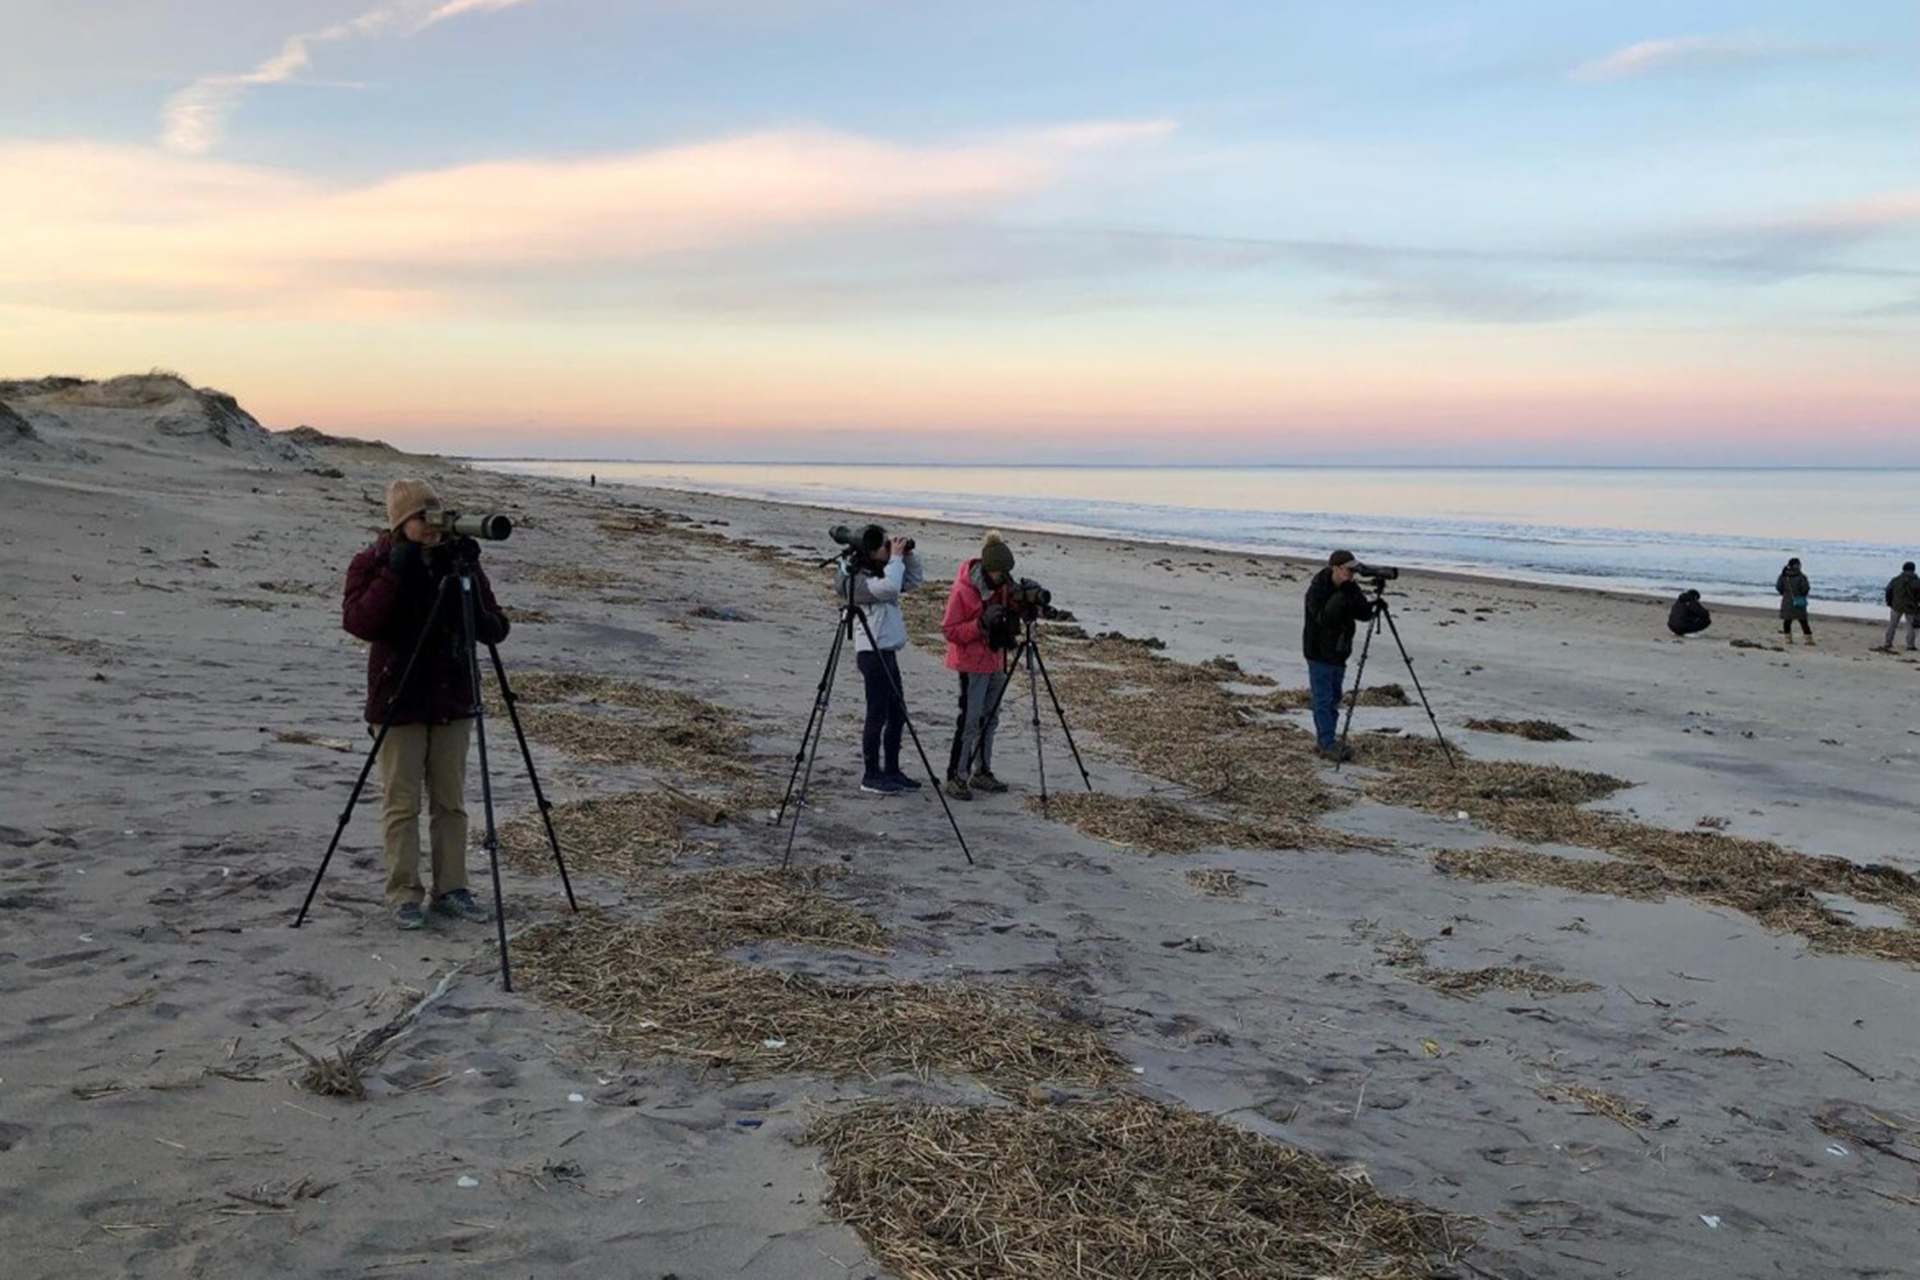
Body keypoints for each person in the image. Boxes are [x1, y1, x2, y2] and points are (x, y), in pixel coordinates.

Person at [342, 479, 510, 930]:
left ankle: (452, 888)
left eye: (438, 517)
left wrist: (468, 581)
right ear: (401, 522)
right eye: (423, 518)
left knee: (450, 803)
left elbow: (494, 628)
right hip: (399, 698)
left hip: (452, 696)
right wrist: (398, 572)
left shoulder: (455, 566)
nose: (434, 528)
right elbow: (361, 622)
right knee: (401, 804)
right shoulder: (373, 562)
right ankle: (404, 893)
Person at [833, 525, 924, 794]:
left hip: (887, 649)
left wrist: (906, 554)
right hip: (872, 653)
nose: (889, 547)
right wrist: (895, 558)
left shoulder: (881, 571)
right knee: (877, 714)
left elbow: (913, 580)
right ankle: (871, 775)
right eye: (884, 545)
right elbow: (890, 588)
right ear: (870, 551)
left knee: (897, 714)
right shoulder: (858, 580)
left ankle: (892, 771)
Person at [940, 531, 1017, 800]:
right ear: (988, 569)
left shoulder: (1002, 588)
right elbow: (949, 630)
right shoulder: (964, 589)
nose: (1003, 579)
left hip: (995, 658)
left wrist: (1023, 604)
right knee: (970, 720)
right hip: (971, 663)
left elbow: (1013, 612)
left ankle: (981, 770)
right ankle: (956, 776)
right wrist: (980, 624)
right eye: (1000, 574)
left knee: (991, 717)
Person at [1302, 550, 1375, 761]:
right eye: (1348, 569)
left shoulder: (1349, 587)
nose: (1352, 574)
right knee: (1323, 700)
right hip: (1318, 652)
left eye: (1354, 569)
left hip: (1339, 652)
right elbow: (1324, 618)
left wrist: (1372, 605)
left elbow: (1362, 615)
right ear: (1335, 568)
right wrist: (1342, 595)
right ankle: (1326, 743)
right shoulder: (1316, 590)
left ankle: (1328, 739)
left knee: (1334, 698)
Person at [1879, 561, 1919, 653]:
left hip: (1896, 605)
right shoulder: (1917, 581)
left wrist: (1890, 603)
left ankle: (1888, 642)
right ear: (1913, 569)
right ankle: (1910, 645)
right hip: (1911, 606)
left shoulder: (1896, 580)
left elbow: (1888, 591)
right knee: (1910, 627)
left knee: (1892, 625)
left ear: (1903, 569)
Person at [1776, 557, 1813, 645]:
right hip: (1798, 601)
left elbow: (1778, 587)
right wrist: (1802, 595)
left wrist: (1785, 594)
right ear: (1797, 566)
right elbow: (1805, 589)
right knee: (1803, 621)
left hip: (1787, 601)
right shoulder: (1801, 577)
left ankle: (1788, 640)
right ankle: (1808, 640)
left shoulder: (1783, 576)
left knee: (1787, 621)